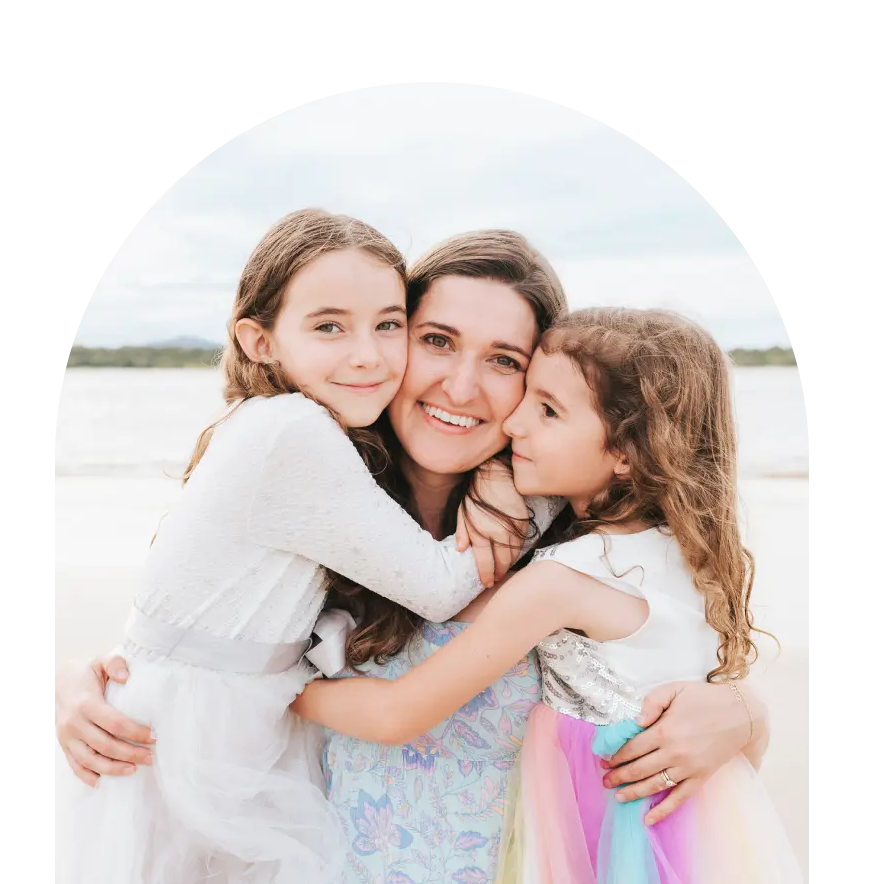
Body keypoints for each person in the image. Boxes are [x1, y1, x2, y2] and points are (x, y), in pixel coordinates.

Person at [55, 232, 773, 884]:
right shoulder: (318, 509)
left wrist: (742, 713)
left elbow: (663, 702)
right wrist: (80, 689)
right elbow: (186, 630)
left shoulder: (568, 537)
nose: (461, 387)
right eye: (436, 340)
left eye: (503, 362)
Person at [56, 209, 536, 884]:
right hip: (196, 752)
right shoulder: (297, 437)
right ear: (260, 341)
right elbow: (436, 585)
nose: (368, 354)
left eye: (388, 325)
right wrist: (514, 486)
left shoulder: (308, 442)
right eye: (329, 326)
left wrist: (742, 710)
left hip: (228, 743)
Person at [293, 307, 803, 883]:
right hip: (703, 833)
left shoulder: (560, 580)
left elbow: (396, 713)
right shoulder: (689, 554)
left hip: (600, 826)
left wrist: (284, 692)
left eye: (548, 411)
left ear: (626, 453)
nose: (514, 425)